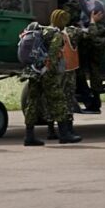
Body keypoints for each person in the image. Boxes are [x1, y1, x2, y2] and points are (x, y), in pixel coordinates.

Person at [21, 9, 80, 146]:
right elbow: (53, 56)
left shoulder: (41, 30)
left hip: (34, 72)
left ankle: (29, 136)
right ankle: (64, 134)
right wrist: (52, 72)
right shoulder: (57, 35)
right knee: (58, 100)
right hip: (47, 73)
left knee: (32, 102)